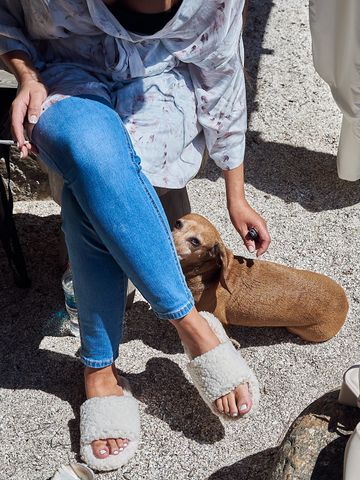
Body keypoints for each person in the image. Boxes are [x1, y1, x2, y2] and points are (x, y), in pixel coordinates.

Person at [0, 0, 269, 471]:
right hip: (63, 75)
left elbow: (222, 77)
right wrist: (24, 74)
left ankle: (98, 369)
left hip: (161, 84)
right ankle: (191, 327)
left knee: (97, 180)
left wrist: (236, 194)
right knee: (87, 146)